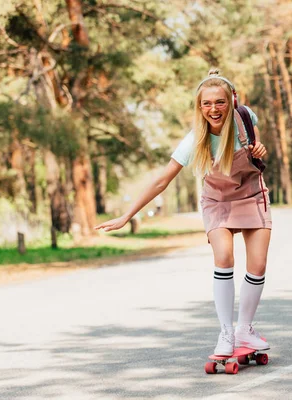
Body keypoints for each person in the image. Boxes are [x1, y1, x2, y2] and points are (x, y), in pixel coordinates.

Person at [95, 69, 272, 356]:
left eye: (219, 102)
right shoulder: (195, 141)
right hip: (218, 201)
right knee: (224, 256)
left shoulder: (246, 118)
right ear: (199, 107)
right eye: (206, 103)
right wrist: (127, 215)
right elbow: (162, 180)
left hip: (251, 193)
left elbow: (254, 146)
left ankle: (245, 330)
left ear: (230, 101)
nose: (213, 109)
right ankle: (226, 333)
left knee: (258, 265)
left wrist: (259, 149)